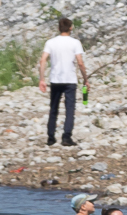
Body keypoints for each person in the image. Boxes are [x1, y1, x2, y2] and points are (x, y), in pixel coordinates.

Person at [37, 17, 88, 147]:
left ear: (59, 28)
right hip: (70, 79)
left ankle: (50, 137)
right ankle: (66, 137)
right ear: (71, 28)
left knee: (53, 108)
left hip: (55, 79)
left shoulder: (51, 42)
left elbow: (43, 60)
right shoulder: (75, 43)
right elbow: (80, 63)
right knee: (69, 109)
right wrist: (85, 80)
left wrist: (42, 79)